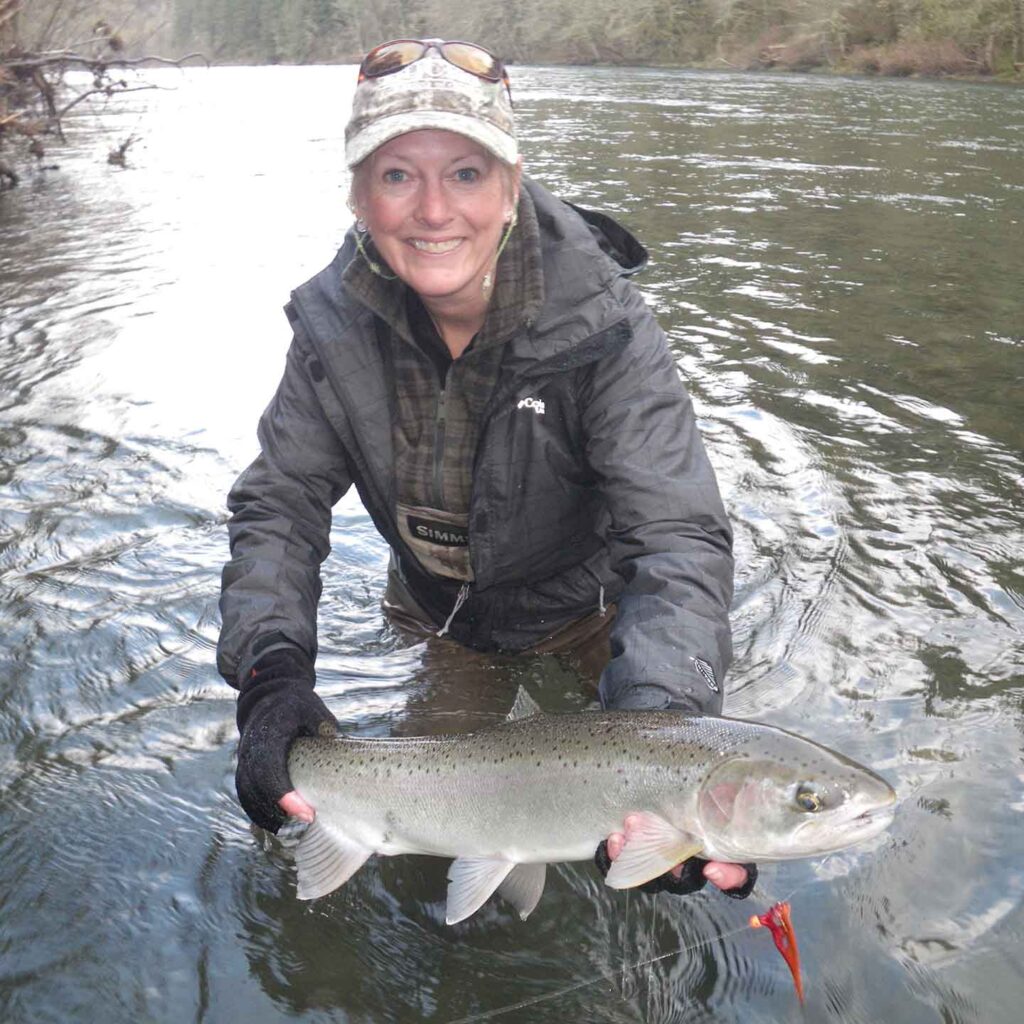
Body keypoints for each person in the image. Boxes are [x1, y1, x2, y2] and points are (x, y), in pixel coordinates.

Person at [218, 39, 753, 899]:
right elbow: (280, 505)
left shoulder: (606, 326)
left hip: (590, 610)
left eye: (466, 173)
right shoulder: (329, 326)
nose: (433, 210)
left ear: (511, 185)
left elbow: (677, 535)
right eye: (396, 176)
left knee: (697, 791)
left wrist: (668, 730)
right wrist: (269, 675)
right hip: (444, 614)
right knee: (426, 873)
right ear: (358, 194)